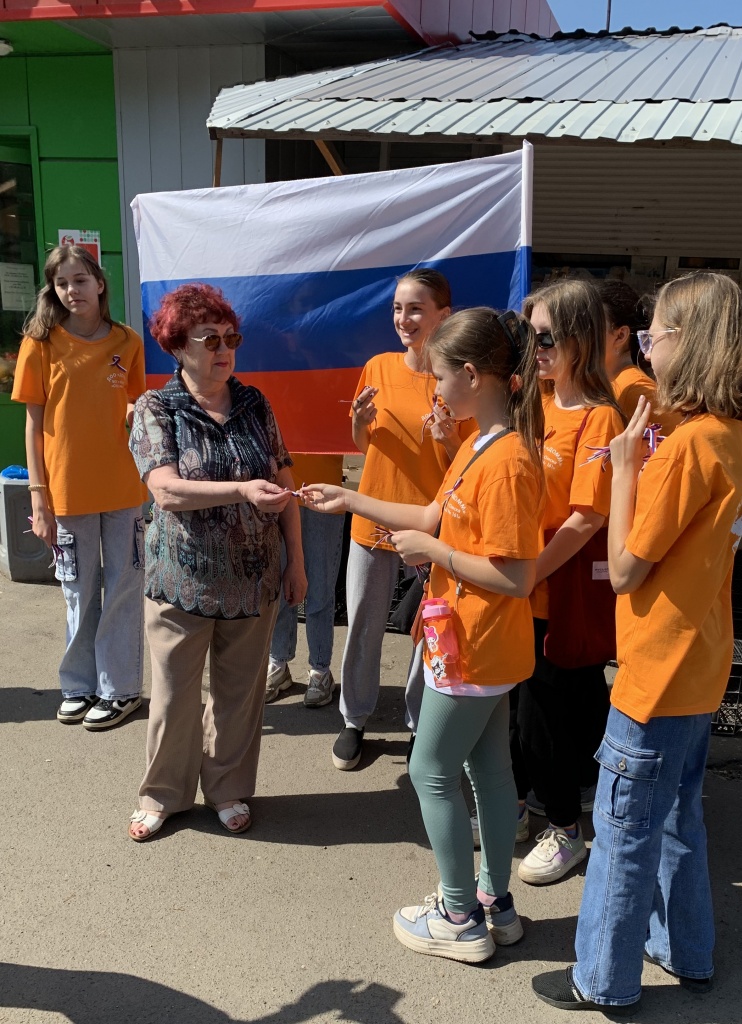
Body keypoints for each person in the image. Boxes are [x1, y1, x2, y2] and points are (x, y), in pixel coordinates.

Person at [532, 272, 742, 1012]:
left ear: (684, 343)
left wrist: (625, 470)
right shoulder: (741, 433)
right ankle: (685, 949)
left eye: (651, 335)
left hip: (657, 667)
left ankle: (601, 977)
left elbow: (627, 568)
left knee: (623, 828)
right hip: (699, 659)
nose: (643, 348)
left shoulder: (688, 446)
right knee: (676, 818)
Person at [303, 306, 545, 963]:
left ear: (472, 375)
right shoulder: (479, 442)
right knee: (488, 771)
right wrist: (350, 499)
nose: (433, 388)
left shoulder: (507, 460)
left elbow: (516, 576)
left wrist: (434, 554)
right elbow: (433, 513)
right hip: (471, 642)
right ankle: (495, 903)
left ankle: (458, 916)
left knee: (429, 770)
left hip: (476, 645)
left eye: (439, 376)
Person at [126, 283, 306, 842]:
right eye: (210, 340)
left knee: (239, 697)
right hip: (181, 582)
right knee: (174, 699)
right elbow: (165, 490)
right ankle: (162, 795)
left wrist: (296, 562)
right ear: (178, 346)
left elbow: (284, 481)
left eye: (231, 338)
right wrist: (242, 490)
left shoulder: (255, 404)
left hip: (254, 580)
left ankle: (228, 789)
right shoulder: (157, 408)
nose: (224, 349)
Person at [334, 268, 470, 771]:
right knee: (363, 626)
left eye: (415, 309)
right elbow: (363, 445)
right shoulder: (378, 366)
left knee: (427, 628)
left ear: (443, 315)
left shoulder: (458, 378)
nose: (403, 318)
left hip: (429, 526)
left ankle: (418, 722)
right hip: (372, 518)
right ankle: (354, 719)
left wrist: (448, 440)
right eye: (397, 308)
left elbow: (468, 462)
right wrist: (358, 422)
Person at [12, 245, 146, 730]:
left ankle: (120, 689)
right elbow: (34, 424)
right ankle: (78, 686)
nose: (73, 290)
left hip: (124, 490)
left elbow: (137, 406)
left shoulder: (128, 342)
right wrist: (38, 494)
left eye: (81, 280)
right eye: (62, 283)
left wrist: (132, 411)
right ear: (53, 289)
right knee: (78, 592)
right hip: (67, 492)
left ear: (100, 283)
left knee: (124, 590)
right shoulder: (40, 343)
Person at [515, 278, 623, 885]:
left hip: (556, 594)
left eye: (546, 338)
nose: (536, 349)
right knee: (530, 714)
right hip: (519, 589)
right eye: (530, 336)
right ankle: (533, 804)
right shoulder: (534, 403)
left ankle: (565, 828)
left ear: (580, 339)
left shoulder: (599, 417)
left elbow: (587, 518)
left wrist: (528, 573)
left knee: (544, 721)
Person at [264, 452, 345, 708]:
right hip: (279, 488)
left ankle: (320, 669)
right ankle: (278, 662)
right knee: (279, 586)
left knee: (320, 588)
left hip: (323, 490)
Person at [598, 278, 683, 434]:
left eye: (590, 326)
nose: (577, 335)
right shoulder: (606, 384)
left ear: (620, 336)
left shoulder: (638, 392)